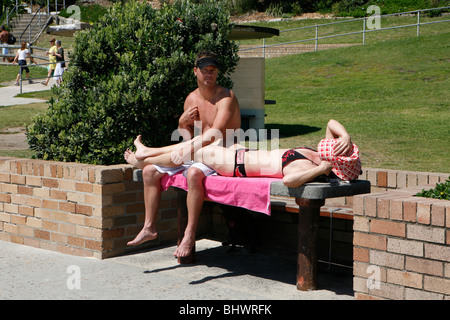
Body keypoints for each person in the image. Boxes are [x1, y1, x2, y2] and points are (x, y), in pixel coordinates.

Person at [127, 51, 241, 259]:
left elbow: (214, 134)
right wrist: (182, 122)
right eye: (204, 70)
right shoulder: (191, 99)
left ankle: (189, 234)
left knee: (194, 174)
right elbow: (186, 137)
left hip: (224, 152)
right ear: (195, 71)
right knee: (151, 172)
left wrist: (188, 150)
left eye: (213, 70)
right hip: (198, 150)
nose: (209, 74)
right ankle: (149, 227)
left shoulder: (226, 97)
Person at [124, 119, 362, 191]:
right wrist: (346, 136)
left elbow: (289, 182)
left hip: (235, 165)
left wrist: (321, 170)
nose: (329, 144)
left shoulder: (306, 168)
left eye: (335, 148)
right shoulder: (314, 155)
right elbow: (331, 122)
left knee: (196, 149)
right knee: (204, 141)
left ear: (333, 164)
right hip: (242, 154)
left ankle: (143, 158)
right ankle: (149, 152)